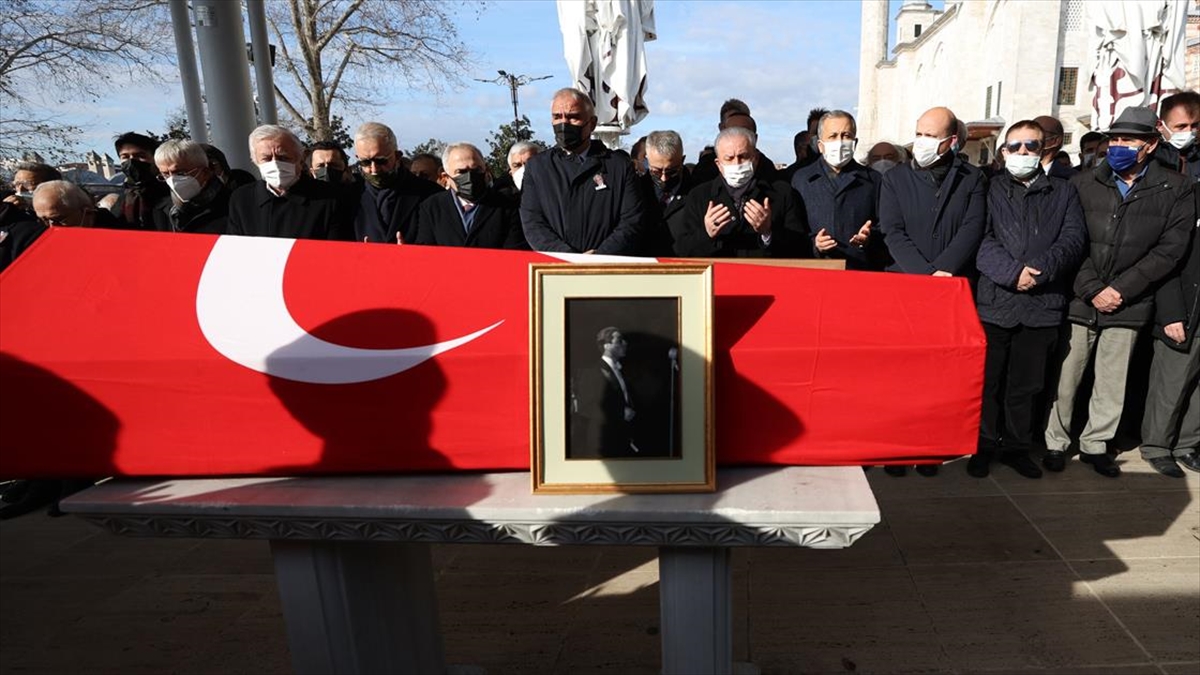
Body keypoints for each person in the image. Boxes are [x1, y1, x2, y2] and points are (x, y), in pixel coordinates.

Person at [1044, 107, 1194, 477]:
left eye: (1128, 140)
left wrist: (1121, 290)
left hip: (1131, 299)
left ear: (1150, 145)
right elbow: (1071, 242)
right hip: (1083, 297)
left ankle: (1096, 444)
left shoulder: (1175, 188)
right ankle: (1055, 443)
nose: (1118, 146)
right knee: (1067, 377)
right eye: (1114, 139)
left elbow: (1169, 250)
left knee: (1112, 382)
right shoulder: (1083, 182)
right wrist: (1094, 288)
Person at [970, 120, 1087, 479]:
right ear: (1003, 151)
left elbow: (1072, 240)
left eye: (1031, 146)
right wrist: (1011, 274)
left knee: (1026, 384)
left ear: (1044, 150)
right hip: (996, 301)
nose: (1023, 153)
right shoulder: (988, 190)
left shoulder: (1063, 192)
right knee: (988, 382)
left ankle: (1017, 447)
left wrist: (1037, 270)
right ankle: (984, 445)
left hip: (1041, 304)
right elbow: (981, 239)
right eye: (1016, 146)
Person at [878, 106, 987, 476]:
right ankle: (895, 447)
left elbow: (972, 227)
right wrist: (926, 275)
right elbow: (892, 231)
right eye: (919, 133)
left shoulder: (971, 179)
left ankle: (929, 447)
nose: (921, 142)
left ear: (951, 142)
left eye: (930, 135)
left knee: (938, 376)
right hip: (906, 287)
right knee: (900, 375)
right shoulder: (895, 179)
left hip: (950, 288)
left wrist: (945, 271)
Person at [520, 87, 644, 254]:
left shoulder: (619, 166)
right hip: (557, 268)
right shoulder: (537, 167)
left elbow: (631, 221)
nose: (564, 123)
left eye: (573, 117)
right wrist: (569, 257)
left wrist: (600, 256)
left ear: (591, 123)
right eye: (557, 117)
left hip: (606, 267)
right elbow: (533, 222)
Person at [1141, 179, 1200, 477]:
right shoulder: (1188, 197)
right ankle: (1157, 447)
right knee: (1170, 385)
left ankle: (1187, 445)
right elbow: (1167, 260)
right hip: (1185, 310)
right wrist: (1171, 313)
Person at [674, 126, 804, 258]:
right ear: (718, 164)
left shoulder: (781, 193)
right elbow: (682, 250)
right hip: (719, 276)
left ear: (756, 158)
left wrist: (767, 232)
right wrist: (707, 233)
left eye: (743, 157)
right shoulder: (699, 196)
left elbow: (800, 247)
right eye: (729, 158)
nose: (737, 163)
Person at [791, 110, 888, 270]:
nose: (840, 142)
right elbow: (793, 230)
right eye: (833, 136)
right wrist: (815, 243)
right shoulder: (801, 179)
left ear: (855, 142)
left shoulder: (874, 179)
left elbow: (886, 225)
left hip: (859, 270)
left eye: (846, 135)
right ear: (820, 145)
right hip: (816, 271)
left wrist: (870, 237)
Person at [227, 124, 351, 240]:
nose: (275, 164)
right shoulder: (241, 199)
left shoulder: (330, 198)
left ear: (300, 159)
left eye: (283, 158)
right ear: (255, 161)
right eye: (267, 158)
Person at [415, 142, 526, 250]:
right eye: (461, 172)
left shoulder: (508, 206)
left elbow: (514, 252)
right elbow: (425, 252)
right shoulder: (431, 207)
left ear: (486, 170)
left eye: (476, 170)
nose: (470, 177)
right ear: (446, 177)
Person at [349, 122, 442, 244]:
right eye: (366, 162)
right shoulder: (349, 197)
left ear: (397, 156)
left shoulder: (431, 195)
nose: (374, 169)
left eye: (381, 161)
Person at [571, 327, 640, 458]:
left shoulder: (621, 370)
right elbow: (586, 406)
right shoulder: (592, 372)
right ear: (606, 345)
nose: (625, 343)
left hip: (621, 437)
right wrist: (620, 413)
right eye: (619, 341)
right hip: (603, 441)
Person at [151, 139, 230, 235]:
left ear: (205, 172)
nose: (172, 180)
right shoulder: (162, 210)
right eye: (165, 174)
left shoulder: (232, 205)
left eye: (180, 173)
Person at [636, 130, 694, 256]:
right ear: (647, 161)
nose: (663, 178)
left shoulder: (696, 192)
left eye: (671, 171)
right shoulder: (635, 191)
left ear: (682, 160)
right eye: (656, 171)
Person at [112, 131, 168, 230]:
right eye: (125, 157)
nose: (132, 161)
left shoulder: (171, 193)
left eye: (140, 156)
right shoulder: (121, 200)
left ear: (155, 159)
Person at [32, 180, 123, 229]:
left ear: (87, 211)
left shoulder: (121, 235)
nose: (52, 227)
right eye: (44, 220)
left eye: (59, 219)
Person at [1155, 90, 1200, 179]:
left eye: (1194, 125)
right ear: (1160, 126)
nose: (1189, 131)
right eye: (1181, 126)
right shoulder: (1149, 159)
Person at [1033, 116, 1078, 180]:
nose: (1030, 138)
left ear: (1056, 140)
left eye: (1038, 132)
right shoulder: (1016, 174)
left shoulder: (1074, 179)